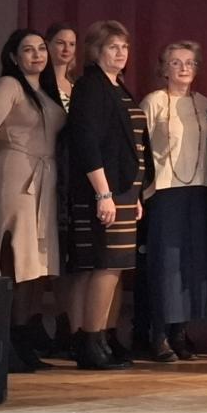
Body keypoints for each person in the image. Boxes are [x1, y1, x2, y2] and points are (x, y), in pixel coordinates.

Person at [0, 28, 66, 372]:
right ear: (13, 56)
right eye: (28, 49)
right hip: (11, 174)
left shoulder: (46, 92)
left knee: (33, 265)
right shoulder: (7, 86)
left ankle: (22, 338)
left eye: (41, 48)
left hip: (43, 180)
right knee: (9, 258)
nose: (37, 55)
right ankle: (2, 339)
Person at [66, 20, 152, 370]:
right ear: (96, 51)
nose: (121, 53)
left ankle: (99, 339)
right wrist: (104, 194)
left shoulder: (116, 86)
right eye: (113, 47)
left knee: (111, 267)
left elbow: (129, 145)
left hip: (124, 190)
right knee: (105, 265)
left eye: (124, 47)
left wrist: (136, 194)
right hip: (105, 190)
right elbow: (87, 141)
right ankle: (89, 341)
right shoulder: (91, 87)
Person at [140, 41, 207, 363]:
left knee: (192, 265)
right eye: (176, 62)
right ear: (164, 69)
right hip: (164, 191)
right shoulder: (153, 102)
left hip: (200, 190)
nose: (184, 68)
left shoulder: (204, 103)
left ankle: (180, 333)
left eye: (190, 62)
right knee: (166, 264)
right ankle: (158, 334)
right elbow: (139, 148)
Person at [37, 22, 79, 358]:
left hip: (70, 177)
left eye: (72, 44)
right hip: (43, 171)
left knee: (66, 255)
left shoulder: (78, 86)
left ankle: (68, 324)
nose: (66, 49)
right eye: (60, 43)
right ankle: (32, 323)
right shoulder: (39, 85)